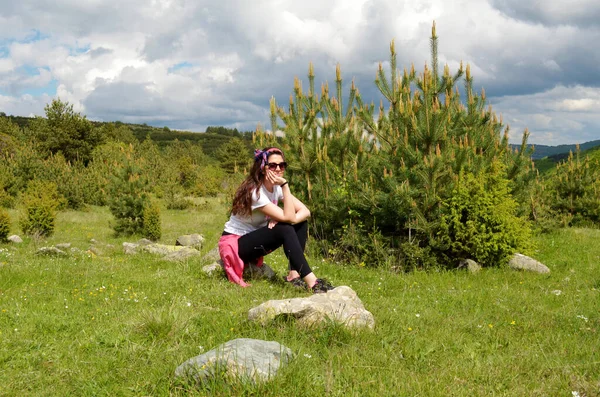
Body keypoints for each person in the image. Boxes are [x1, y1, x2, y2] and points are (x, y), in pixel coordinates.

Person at [218, 147, 334, 293]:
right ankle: (313, 283)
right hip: (236, 243)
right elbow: (289, 217)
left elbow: (305, 211)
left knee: (300, 223)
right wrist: (285, 188)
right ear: (262, 168)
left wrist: (284, 219)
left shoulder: (276, 188)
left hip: (253, 238)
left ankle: (294, 274)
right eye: (272, 165)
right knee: (285, 226)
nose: (278, 169)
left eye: (282, 165)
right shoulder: (256, 192)